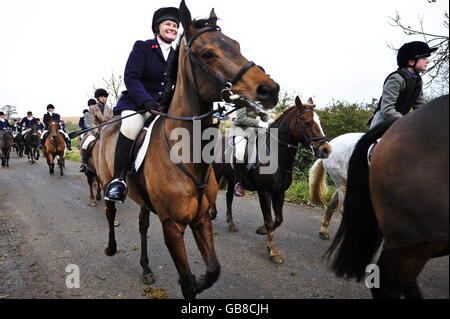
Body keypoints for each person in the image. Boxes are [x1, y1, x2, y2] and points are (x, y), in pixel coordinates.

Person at [104, 6, 179, 203]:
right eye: (168, 24)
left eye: (175, 26)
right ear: (157, 28)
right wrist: (145, 100)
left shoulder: (178, 55)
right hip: (139, 103)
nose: (172, 28)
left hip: (165, 107)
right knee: (131, 127)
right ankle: (118, 180)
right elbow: (131, 76)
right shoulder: (143, 47)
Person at [368, 41, 438, 129]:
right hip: (382, 123)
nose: (427, 61)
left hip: (400, 122)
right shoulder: (396, 79)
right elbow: (387, 109)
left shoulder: (418, 81)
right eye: (424, 58)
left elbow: (419, 107)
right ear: (411, 62)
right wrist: (407, 122)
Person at [231, 106, 274, 196]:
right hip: (240, 130)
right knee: (240, 151)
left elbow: (264, 115)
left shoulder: (258, 98)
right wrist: (261, 124)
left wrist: (269, 121)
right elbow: (241, 119)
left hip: (254, 131)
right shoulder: (241, 97)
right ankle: (238, 183)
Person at [79, 89, 113, 173]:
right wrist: (97, 131)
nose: (103, 98)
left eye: (104, 97)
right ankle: (84, 164)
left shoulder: (109, 109)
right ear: (97, 98)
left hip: (108, 130)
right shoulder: (93, 109)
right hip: (95, 131)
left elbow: (112, 121)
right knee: (85, 143)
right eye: (101, 97)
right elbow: (91, 122)